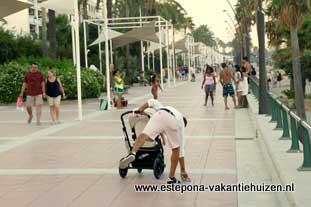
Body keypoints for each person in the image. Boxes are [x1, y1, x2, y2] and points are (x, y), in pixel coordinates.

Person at [119, 99, 190, 184]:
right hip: (172, 121)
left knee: (144, 135)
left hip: (159, 114)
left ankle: (133, 153)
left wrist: (141, 109)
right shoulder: (180, 123)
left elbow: (152, 101)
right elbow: (181, 151)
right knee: (176, 150)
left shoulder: (167, 107)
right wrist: (183, 170)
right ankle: (171, 178)